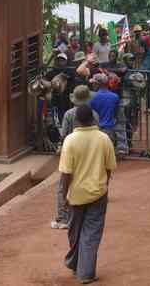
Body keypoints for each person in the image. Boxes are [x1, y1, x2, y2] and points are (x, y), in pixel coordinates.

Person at [59, 105, 116, 284]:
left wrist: (64, 195)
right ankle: (84, 271)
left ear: (76, 121)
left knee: (74, 231)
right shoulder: (104, 139)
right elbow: (109, 168)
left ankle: (77, 264)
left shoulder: (70, 140)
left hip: (75, 194)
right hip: (98, 193)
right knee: (91, 233)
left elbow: (65, 173)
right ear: (93, 119)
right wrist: (104, 185)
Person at [51, 85, 92, 230]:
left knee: (64, 185)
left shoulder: (69, 114)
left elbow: (64, 135)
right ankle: (85, 217)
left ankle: (63, 218)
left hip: (72, 152)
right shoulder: (94, 114)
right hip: (89, 154)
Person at [87, 74, 119, 146]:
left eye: (94, 83)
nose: (92, 85)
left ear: (97, 84)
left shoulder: (92, 97)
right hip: (109, 131)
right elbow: (116, 114)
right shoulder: (115, 97)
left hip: (95, 131)